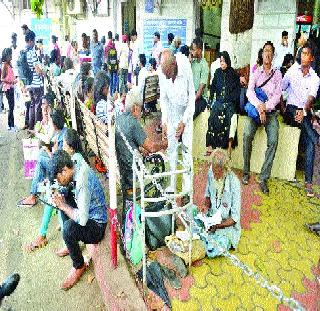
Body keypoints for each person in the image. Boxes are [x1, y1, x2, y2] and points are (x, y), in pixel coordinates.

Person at [50, 149, 107, 290]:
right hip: (90, 212)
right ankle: (71, 245)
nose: (58, 181)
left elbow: (81, 220)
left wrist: (63, 206)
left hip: (97, 225)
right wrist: (62, 193)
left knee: (68, 228)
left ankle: (79, 266)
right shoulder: (75, 160)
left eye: (58, 178)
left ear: (64, 171)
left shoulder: (82, 181)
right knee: (64, 197)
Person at [24, 128, 85, 253]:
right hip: (76, 196)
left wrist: (58, 189)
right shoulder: (75, 156)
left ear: (71, 147)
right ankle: (45, 234)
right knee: (55, 195)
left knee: (57, 198)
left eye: (65, 144)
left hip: (80, 201)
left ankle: (49, 236)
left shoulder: (76, 160)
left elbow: (73, 185)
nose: (64, 147)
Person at [115, 87, 168, 227]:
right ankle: (157, 214)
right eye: (140, 108)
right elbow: (150, 147)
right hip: (133, 174)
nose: (142, 111)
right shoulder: (133, 123)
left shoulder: (119, 119)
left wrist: (137, 148)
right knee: (164, 166)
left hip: (122, 169)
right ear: (135, 108)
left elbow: (126, 141)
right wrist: (165, 144)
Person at [242, 41, 282, 194]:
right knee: (246, 135)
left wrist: (266, 107)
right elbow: (249, 92)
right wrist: (259, 106)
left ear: (273, 55)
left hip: (270, 112)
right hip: (256, 110)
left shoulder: (277, 74)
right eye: (265, 50)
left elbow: (278, 95)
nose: (268, 53)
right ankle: (246, 172)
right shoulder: (256, 71)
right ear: (262, 53)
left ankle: (263, 177)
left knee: (273, 140)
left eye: (271, 51)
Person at [282, 42, 320, 197]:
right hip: (291, 110)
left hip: (304, 112)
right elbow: (281, 87)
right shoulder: (292, 71)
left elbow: (310, 98)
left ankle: (308, 182)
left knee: (310, 142)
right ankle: (317, 138)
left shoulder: (315, 78)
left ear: (311, 58)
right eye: (302, 53)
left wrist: (304, 112)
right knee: (309, 131)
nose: (303, 56)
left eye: (307, 54)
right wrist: (282, 106)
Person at [160, 49, 195, 193]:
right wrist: (165, 121)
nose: (167, 77)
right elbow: (163, 99)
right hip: (172, 112)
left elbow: (192, 97)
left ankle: (187, 191)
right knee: (171, 151)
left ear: (174, 64)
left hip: (185, 111)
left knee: (186, 152)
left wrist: (184, 121)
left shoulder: (185, 66)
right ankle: (172, 186)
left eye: (168, 73)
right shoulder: (162, 72)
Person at [195, 148, 241, 257]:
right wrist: (205, 207)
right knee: (191, 211)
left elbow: (234, 218)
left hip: (226, 226)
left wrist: (218, 226)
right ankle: (204, 238)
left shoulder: (234, 184)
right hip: (212, 217)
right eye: (214, 171)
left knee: (213, 251)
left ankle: (204, 240)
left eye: (218, 173)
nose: (215, 176)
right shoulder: (211, 171)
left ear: (225, 169)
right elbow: (208, 194)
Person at [17, 109, 66, 207]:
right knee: (41, 156)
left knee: (40, 158)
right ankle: (34, 193)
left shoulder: (61, 137)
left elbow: (57, 161)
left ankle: (33, 195)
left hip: (62, 169)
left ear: (55, 124)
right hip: (62, 164)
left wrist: (48, 151)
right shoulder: (63, 131)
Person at [206, 51, 241, 156]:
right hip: (219, 101)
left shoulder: (233, 73)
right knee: (212, 115)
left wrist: (230, 100)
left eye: (224, 61)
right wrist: (210, 100)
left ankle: (227, 146)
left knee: (230, 115)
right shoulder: (217, 72)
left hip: (229, 102)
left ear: (228, 62)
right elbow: (212, 88)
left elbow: (237, 91)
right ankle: (211, 145)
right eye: (221, 61)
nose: (222, 63)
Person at [25, 30, 44, 130]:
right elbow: (38, 71)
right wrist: (43, 73)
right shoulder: (32, 53)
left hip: (29, 84)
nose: (34, 42)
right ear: (30, 40)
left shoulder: (24, 51)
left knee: (32, 105)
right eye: (34, 40)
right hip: (36, 84)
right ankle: (37, 129)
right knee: (37, 106)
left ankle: (31, 127)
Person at [190, 38, 209, 119]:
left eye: (193, 50)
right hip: (191, 95)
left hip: (200, 99)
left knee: (189, 112)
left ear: (200, 50)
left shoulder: (204, 65)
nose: (191, 52)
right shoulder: (192, 63)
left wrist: (190, 101)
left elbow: (200, 91)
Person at [1, 48, 17, 131]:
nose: (11, 56)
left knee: (12, 107)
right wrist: (12, 81)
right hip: (8, 88)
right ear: (6, 56)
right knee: (11, 107)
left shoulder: (9, 64)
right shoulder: (5, 65)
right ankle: (11, 125)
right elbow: (2, 79)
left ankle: (11, 124)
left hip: (10, 87)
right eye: (10, 55)